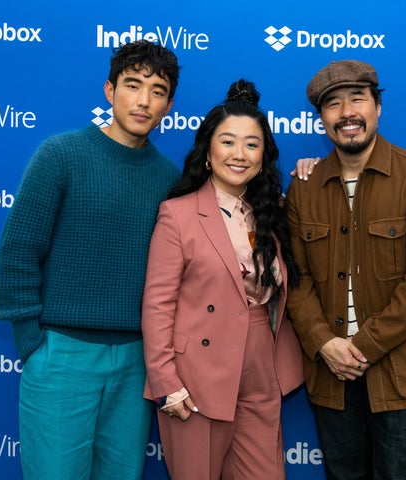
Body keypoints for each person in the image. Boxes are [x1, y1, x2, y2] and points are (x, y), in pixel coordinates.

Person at [0, 39, 180, 479]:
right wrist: (33, 345)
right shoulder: (60, 156)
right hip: (61, 353)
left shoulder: (169, 177)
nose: (143, 100)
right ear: (110, 91)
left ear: (169, 105)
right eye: (133, 85)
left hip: (136, 360)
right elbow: (18, 251)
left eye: (157, 91)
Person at [285, 59, 406, 479]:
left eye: (357, 99)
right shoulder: (304, 188)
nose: (347, 113)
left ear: (377, 107)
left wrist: (361, 348)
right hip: (331, 374)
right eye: (333, 104)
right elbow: (296, 279)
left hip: (400, 373)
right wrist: (326, 344)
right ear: (322, 119)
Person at [141, 79, 304, 480]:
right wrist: (166, 382)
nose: (240, 154)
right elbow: (157, 304)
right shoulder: (177, 214)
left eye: (252, 144)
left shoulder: (271, 211)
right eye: (228, 142)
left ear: (264, 156)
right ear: (208, 152)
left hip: (261, 368)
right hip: (195, 377)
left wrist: (310, 170)